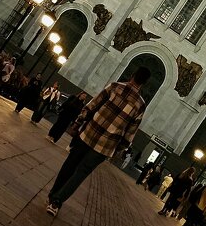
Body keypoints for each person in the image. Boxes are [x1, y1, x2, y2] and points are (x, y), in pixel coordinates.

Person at [45, 66, 150, 216]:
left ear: (132, 75)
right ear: (144, 83)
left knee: (70, 164)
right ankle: (56, 202)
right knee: (81, 173)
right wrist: (119, 149)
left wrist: (79, 121)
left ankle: (52, 194)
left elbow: (92, 105)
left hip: (89, 133)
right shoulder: (141, 105)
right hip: (105, 146)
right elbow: (130, 132)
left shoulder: (114, 86)